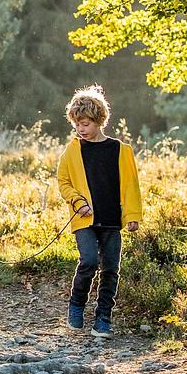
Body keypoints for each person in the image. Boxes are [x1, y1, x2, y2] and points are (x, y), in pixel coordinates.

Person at [55, 84, 142, 338]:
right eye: (76, 125)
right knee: (89, 261)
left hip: (112, 220)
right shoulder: (73, 150)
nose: (80, 129)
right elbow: (63, 182)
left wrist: (132, 215)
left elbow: (131, 185)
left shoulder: (121, 150)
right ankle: (76, 305)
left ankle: (103, 318)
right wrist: (77, 201)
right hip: (84, 219)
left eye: (85, 124)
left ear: (99, 120)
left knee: (111, 269)